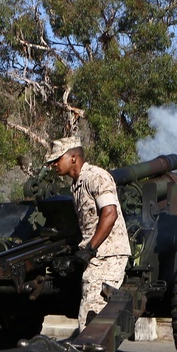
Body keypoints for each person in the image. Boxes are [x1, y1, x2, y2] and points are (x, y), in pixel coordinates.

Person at [45, 136, 130, 333]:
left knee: (94, 313)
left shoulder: (96, 177)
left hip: (109, 254)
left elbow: (110, 214)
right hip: (96, 256)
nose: (54, 165)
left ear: (73, 158)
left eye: (57, 160)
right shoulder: (76, 185)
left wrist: (89, 249)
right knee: (91, 312)